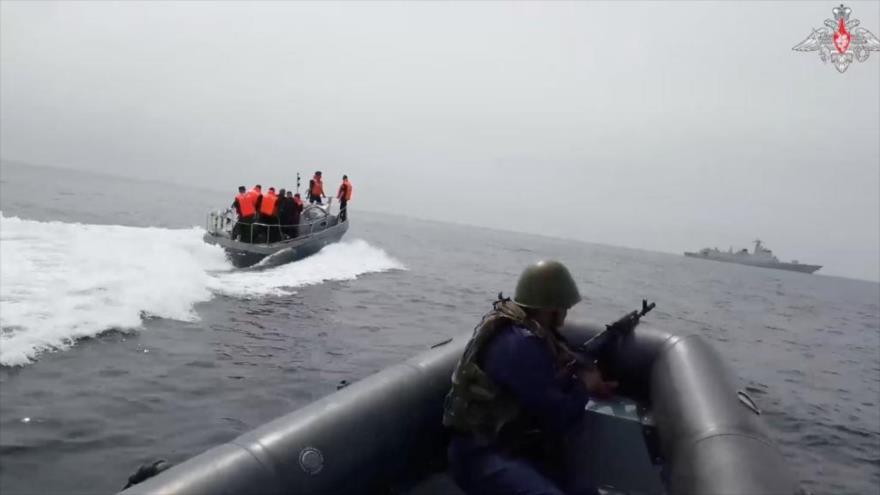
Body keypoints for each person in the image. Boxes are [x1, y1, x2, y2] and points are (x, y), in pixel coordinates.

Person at [443, 260, 617, 495]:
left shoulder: (530, 336)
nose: (566, 313)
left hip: (513, 446)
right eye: (564, 307)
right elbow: (558, 417)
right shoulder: (519, 344)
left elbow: (538, 389)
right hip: (481, 454)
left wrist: (579, 382)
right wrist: (584, 386)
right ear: (552, 308)